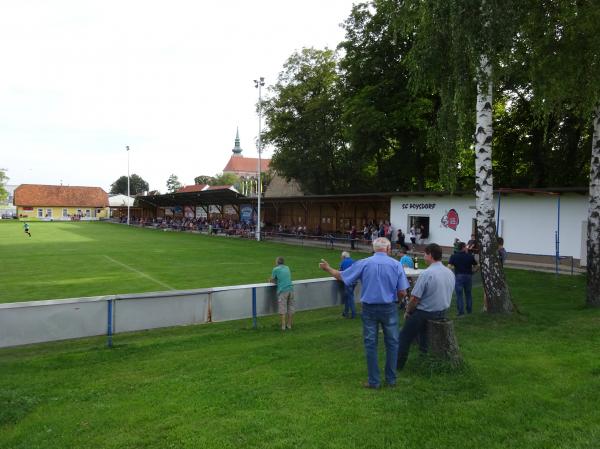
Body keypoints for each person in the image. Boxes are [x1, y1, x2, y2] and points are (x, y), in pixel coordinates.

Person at [320, 237, 409, 389]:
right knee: (392, 343)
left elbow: (342, 276)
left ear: (374, 249)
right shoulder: (396, 265)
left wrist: (327, 268)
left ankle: (374, 381)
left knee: (370, 344)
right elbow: (402, 291)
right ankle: (391, 380)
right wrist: (399, 301)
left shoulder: (364, 263)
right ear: (388, 249)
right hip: (389, 307)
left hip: (369, 308)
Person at [397, 243, 455, 371]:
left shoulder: (427, 273)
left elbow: (414, 298)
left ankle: (397, 366)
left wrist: (407, 311)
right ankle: (424, 358)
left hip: (426, 312)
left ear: (430, 255)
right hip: (442, 311)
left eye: (424, 254)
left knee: (404, 336)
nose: (423, 256)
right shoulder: (449, 272)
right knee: (423, 335)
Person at [448, 241, 478, 315]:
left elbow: (449, 267)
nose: (467, 248)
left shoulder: (453, 256)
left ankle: (461, 312)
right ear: (463, 248)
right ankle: (469, 310)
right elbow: (477, 265)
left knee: (459, 295)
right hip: (468, 276)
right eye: (466, 247)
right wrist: (474, 271)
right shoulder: (470, 256)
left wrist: (452, 273)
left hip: (458, 276)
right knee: (468, 294)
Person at [269, 256, 295, 331]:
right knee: (291, 307)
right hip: (291, 289)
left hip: (283, 291)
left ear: (277, 262)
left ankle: (283, 326)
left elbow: (273, 280)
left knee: (282, 308)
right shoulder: (287, 267)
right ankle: (289, 325)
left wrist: (270, 280)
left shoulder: (275, 269)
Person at [339, 251, 356, 319]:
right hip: (354, 282)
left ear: (343, 257)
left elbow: (340, 271)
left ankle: (353, 313)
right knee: (348, 297)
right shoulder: (354, 261)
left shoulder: (343, 262)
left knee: (350, 297)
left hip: (347, 282)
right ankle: (345, 312)